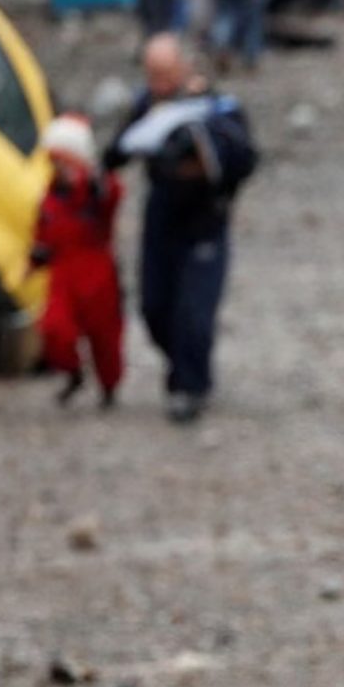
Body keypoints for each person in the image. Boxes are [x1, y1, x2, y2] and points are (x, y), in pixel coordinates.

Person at [104, 34, 259, 423]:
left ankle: (190, 386)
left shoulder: (218, 107)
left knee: (195, 309)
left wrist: (202, 148)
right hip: (162, 214)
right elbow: (115, 152)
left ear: (184, 68)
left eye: (165, 74)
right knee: (154, 306)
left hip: (205, 217)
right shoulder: (147, 105)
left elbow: (244, 159)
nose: (159, 83)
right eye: (152, 75)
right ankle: (183, 365)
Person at [33, 113, 126, 408]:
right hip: (63, 271)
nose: (57, 167)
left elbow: (112, 196)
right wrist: (37, 255)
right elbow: (42, 230)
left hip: (97, 271)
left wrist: (98, 183)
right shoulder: (50, 194)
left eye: (62, 160)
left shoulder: (97, 189)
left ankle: (109, 388)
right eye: (53, 160)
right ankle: (72, 372)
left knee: (105, 337)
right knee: (54, 328)